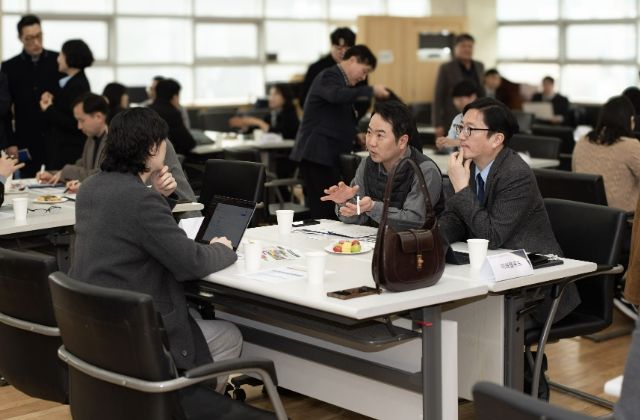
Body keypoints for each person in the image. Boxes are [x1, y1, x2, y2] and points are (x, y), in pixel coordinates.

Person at [69, 107, 242, 380]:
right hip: (136, 329)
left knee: (196, 319)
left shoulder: (90, 187)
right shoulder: (140, 199)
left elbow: (130, 225)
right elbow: (192, 262)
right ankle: (185, 400)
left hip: (98, 321)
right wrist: (222, 248)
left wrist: (158, 195)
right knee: (230, 335)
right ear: (152, 148)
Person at [438, 97, 579, 322]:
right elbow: (454, 219)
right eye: (460, 127)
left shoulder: (515, 173)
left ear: (497, 139)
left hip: (535, 287)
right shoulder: (468, 166)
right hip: (493, 273)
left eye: (470, 129)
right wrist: (431, 241)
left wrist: (462, 188)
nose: (461, 135)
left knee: (466, 321)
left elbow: (491, 236)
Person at [37, 93, 197, 210]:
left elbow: (100, 173)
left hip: (176, 207)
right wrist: (57, 173)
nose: (79, 126)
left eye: (81, 120)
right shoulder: (92, 139)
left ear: (99, 116)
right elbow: (85, 166)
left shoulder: (128, 142)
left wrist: (68, 173)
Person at [289, 45, 390, 219]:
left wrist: (355, 134)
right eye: (364, 71)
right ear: (352, 60)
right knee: (324, 210)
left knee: (330, 208)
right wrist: (371, 90)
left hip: (325, 154)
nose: (363, 77)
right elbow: (336, 96)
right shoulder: (329, 76)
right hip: (317, 154)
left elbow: (336, 115)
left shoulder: (340, 82)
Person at [321, 100, 443, 228]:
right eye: (369, 132)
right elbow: (359, 217)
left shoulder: (425, 170)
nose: (371, 142)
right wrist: (345, 203)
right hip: (373, 238)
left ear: (402, 141)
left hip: (413, 241)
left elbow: (415, 221)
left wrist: (373, 207)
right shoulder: (367, 164)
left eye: (380, 135)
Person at [1, 14, 63, 176]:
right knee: (26, 184)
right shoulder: (9, 67)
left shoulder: (58, 61)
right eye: (29, 38)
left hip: (55, 137)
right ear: (20, 38)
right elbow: (5, 109)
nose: (36, 42)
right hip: (25, 138)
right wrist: (10, 142)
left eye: (39, 36)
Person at [572, 95, 640, 213]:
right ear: (631, 120)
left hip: (582, 214)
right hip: (623, 218)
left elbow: (575, 173)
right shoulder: (631, 145)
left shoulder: (582, 141)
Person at [40, 39, 92, 169]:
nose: (58, 59)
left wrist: (49, 109)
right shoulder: (72, 82)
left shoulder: (78, 85)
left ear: (70, 57)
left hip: (69, 150)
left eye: (61, 55)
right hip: (62, 148)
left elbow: (73, 122)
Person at [432, 33, 485, 138]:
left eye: (470, 46)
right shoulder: (446, 68)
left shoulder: (479, 66)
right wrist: (437, 124)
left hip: (476, 118)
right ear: (455, 48)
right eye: (463, 46)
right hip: (452, 117)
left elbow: (482, 92)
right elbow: (438, 96)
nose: (467, 49)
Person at [229, 84, 300, 139]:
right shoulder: (272, 113)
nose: (271, 98)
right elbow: (260, 128)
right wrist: (245, 125)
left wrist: (258, 122)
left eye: (275, 94)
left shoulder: (291, 113)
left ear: (285, 96)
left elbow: (282, 134)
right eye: (270, 94)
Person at [149, 78, 195, 156]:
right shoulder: (172, 113)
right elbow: (187, 143)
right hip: (171, 158)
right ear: (174, 96)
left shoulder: (148, 110)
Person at [435, 80, 479, 153]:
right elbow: (450, 140)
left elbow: (480, 143)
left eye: (460, 100)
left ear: (472, 97)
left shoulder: (482, 117)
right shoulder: (457, 118)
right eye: (455, 100)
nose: (457, 103)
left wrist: (455, 142)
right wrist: (443, 143)